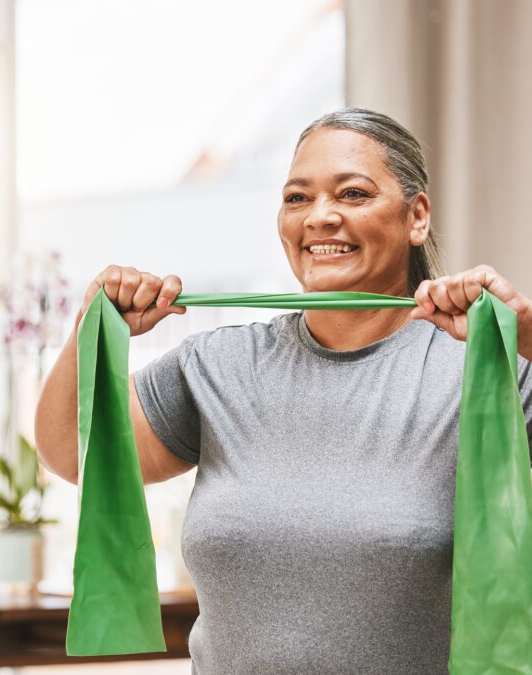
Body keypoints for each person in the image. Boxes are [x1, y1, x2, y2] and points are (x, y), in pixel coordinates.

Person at [34, 108, 532, 672]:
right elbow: (69, 452)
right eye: (298, 198)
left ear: (416, 216)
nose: (320, 217)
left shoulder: (489, 375)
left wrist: (528, 335)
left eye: (353, 193)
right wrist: (91, 327)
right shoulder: (217, 366)